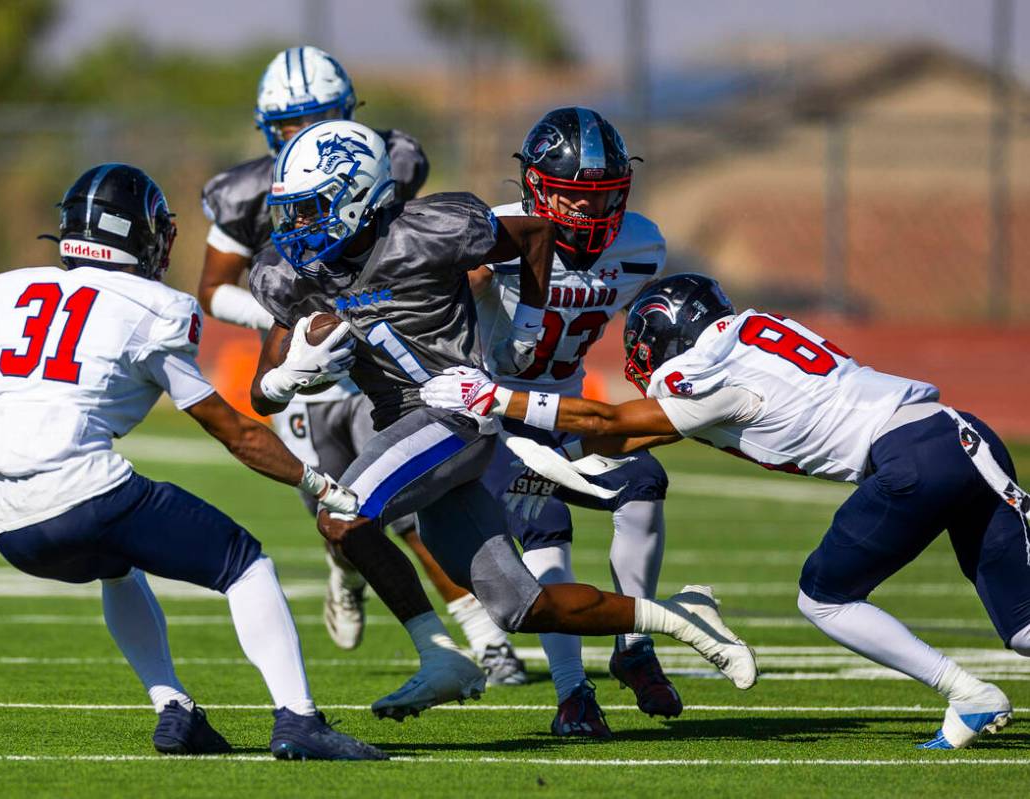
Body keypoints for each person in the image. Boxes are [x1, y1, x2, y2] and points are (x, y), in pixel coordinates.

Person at [249, 119, 759, 722]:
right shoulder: (288, 273)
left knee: (341, 513)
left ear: (360, 197)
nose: (299, 227)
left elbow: (534, 234)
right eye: (294, 212)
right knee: (522, 607)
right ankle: (676, 617)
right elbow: (262, 395)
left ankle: (437, 654)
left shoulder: (428, 230)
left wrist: (523, 327)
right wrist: (287, 377)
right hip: (410, 426)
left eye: (312, 210)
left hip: (456, 413)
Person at [421, 272, 1028, 749]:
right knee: (1023, 624)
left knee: (825, 597)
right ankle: (971, 698)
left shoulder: (701, 373)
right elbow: (639, 436)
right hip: (962, 437)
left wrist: (501, 398)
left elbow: (613, 419)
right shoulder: (749, 337)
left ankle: (966, 693)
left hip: (908, 462)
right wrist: (550, 457)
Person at [0, 163, 386, 761]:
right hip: (82, 492)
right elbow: (234, 432)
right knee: (245, 563)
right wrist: (319, 483)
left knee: (119, 565)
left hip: (7, 523)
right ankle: (299, 718)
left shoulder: (9, 292)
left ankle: (175, 709)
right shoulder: (155, 306)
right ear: (136, 233)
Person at [198, 45, 525, 683]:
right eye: (287, 123)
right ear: (268, 127)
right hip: (310, 359)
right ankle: (345, 575)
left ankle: (483, 641)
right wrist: (291, 334)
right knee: (337, 515)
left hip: (388, 353)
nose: (299, 134)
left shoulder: (388, 159)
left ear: (348, 112)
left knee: (400, 508)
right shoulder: (244, 190)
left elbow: (407, 245)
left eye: (315, 117)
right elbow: (212, 289)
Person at [466, 107, 681, 738]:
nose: (587, 212)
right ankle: (572, 694)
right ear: (535, 185)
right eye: (571, 197)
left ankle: (634, 644)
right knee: (546, 519)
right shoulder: (496, 233)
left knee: (645, 483)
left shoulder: (642, 245)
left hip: (568, 407)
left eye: (602, 198)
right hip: (495, 415)